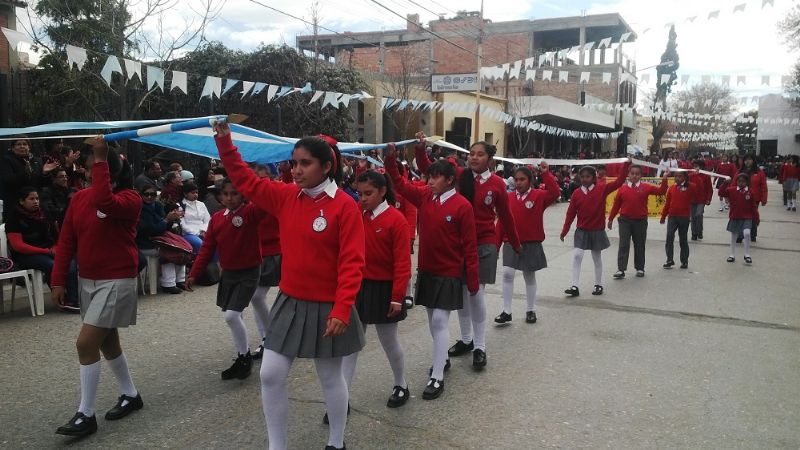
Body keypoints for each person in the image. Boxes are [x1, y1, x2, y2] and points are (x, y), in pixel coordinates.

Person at [213, 122, 365, 450]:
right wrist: (224, 142)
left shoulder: (345, 206)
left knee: (330, 377)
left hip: (329, 306)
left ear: (327, 166)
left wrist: (342, 308)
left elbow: (352, 262)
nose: (296, 170)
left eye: (305, 163)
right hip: (290, 302)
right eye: (294, 163)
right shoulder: (285, 197)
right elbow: (245, 180)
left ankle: (336, 442)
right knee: (269, 375)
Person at [51, 137, 143, 438]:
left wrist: (102, 157)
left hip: (117, 278)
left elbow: (105, 201)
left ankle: (86, 414)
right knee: (107, 341)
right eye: (88, 168)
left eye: (95, 168)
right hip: (88, 280)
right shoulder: (79, 199)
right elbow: (66, 241)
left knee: (86, 343)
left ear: (109, 170)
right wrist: (58, 280)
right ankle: (131, 394)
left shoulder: (130, 199)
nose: (89, 173)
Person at [415, 134, 520, 370]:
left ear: (490, 159)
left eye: (480, 154)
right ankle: (466, 339)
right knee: (462, 293)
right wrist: (421, 149)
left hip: (484, 244)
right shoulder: (460, 176)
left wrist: (515, 242)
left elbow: (506, 216)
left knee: (476, 293)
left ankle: (480, 346)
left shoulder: (497, 184)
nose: (474, 158)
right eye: (471, 154)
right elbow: (428, 168)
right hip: (459, 244)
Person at [385, 143, 478, 401]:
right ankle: (442, 357)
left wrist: (472, 280)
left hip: (449, 273)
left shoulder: (462, 206)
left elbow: (470, 247)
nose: (430, 181)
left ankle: (437, 376)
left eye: (436, 177)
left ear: (450, 180)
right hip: (427, 270)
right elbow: (399, 184)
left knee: (439, 321)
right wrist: (390, 159)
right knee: (431, 320)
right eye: (429, 177)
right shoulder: (425, 197)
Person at [341, 170, 412, 410]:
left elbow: (402, 263)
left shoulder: (396, 220)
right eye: (360, 193)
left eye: (368, 193)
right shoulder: (357, 214)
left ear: (382, 191)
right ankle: (342, 398)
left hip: (384, 288)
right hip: (358, 286)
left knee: (388, 340)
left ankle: (401, 383)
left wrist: (397, 297)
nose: (362, 198)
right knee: (350, 344)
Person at [185, 179, 269, 380]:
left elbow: (265, 203)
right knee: (233, 316)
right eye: (226, 194)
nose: (230, 198)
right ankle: (241, 356)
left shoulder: (250, 212)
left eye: (235, 194)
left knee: (231, 316)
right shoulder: (217, 219)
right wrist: (194, 273)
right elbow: (207, 248)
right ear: (220, 196)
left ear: (243, 195)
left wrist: (256, 182)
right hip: (229, 273)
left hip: (249, 272)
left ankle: (245, 358)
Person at [494, 163, 559, 325]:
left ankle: (531, 310)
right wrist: (495, 246)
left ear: (530, 180)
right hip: (510, 242)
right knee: (508, 273)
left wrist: (546, 174)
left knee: (529, 276)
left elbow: (555, 193)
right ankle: (506, 311)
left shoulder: (539, 196)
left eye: (522, 179)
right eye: (516, 179)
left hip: (531, 242)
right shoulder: (508, 198)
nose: (518, 182)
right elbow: (501, 223)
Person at [560, 162, 630, 297]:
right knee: (577, 255)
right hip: (582, 230)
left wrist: (626, 165)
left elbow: (619, 181)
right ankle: (574, 286)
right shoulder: (576, 194)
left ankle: (598, 284)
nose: (585, 179)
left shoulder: (602, 189)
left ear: (594, 177)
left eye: (588, 176)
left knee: (596, 257)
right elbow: (570, 214)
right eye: (582, 177)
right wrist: (565, 230)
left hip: (597, 230)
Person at [5, 186, 79, 312]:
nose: (36, 201)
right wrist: (46, 252)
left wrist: (56, 248)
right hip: (26, 255)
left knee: (69, 262)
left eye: (37, 198)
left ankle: (73, 300)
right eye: (31, 199)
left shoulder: (44, 214)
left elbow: (57, 236)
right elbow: (18, 246)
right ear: (21, 201)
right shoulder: (14, 218)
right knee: (51, 265)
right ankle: (61, 298)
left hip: (48, 250)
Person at [607, 166, 669, 279]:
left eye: (637, 174)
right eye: (632, 173)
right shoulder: (623, 189)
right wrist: (610, 219)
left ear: (641, 175)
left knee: (639, 245)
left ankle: (640, 268)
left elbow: (661, 191)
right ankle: (621, 269)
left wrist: (664, 178)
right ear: (628, 175)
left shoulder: (646, 187)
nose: (634, 176)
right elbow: (616, 205)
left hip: (640, 221)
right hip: (625, 221)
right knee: (623, 245)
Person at [136, 185, 186, 294]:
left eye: (152, 194)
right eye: (146, 194)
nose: (149, 197)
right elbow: (150, 230)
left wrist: (172, 219)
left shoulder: (157, 206)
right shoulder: (141, 209)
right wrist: (167, 220)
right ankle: (168, 284)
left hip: (159, 239)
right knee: (169, 249)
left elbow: (164, 226)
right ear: (141, 195)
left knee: (181, 247)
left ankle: (180, 280)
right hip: (145, 243)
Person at [1, 137, 59, 221]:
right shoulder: (7, 160)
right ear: (12, 148)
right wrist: (25, 173)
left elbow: (44, 184)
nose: (22, 146)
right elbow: (7, 180)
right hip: (16, 206)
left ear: (29, 147)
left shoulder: (37, 160)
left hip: (36, 206)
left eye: (25, 144)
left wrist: (45, 173)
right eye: (18, 144)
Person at [660, 171, 695, 270]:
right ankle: (669, 259)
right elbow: (667, 203)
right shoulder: (671, 188)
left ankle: (684, 261)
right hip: (672, 216)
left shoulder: (689, 187)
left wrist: (694, 174)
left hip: (684, 217)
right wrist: (663, 216)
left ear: (685, 177)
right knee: (669, 236)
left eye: (680, 176)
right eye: (675, 176)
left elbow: (697, 187)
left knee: (683, 239)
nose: (677, 178)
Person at [725, 173, 757, 264]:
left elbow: (753, 206)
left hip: (747, 217)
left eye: (743, 181)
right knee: (734, 236)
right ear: (736, 182)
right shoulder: (732, 190)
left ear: (747, 182)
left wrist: (756, 217)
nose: (741, 183)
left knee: (747, 233)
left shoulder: (750, 192)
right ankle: (732, 254)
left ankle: (747, 254)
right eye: (739, 181)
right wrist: (725, 183)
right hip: (735, 216)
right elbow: (721, 193)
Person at [735, 155, 768, 242]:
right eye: (746, 160)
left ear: (753, 161)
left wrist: (764, 198)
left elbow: (763, 186)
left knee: (752, 216)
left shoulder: (759, 172)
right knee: (740, 216)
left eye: (749, 159)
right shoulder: (740, 171)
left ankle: (752, 235)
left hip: (754, 198)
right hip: (741, 197)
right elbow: (734, 184)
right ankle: (740, 235)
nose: (747, 161)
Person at [180, 182, 211, 256]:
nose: (195, 195)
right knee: (199, 244)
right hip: (188, 233)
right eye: (193, 193)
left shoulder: (201, 204)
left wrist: (203, 230)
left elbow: (207, 220)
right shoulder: (180, 205)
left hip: (203, 231)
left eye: (196, 192)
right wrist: (197, 233)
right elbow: (182, 224)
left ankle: (214, 262)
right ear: (185, 194)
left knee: (216, 241)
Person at [688, 161, 713, 241]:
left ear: (702, 167)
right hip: (691, 200)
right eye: (694, 166)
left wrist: (708, 199)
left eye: (698, 166)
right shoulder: (690, 176)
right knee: (693, 217)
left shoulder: (706, 176)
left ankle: (699, 231)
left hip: (701, 200)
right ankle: (694, 233)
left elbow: (709, 189)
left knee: (699, 215)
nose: (696, 168)